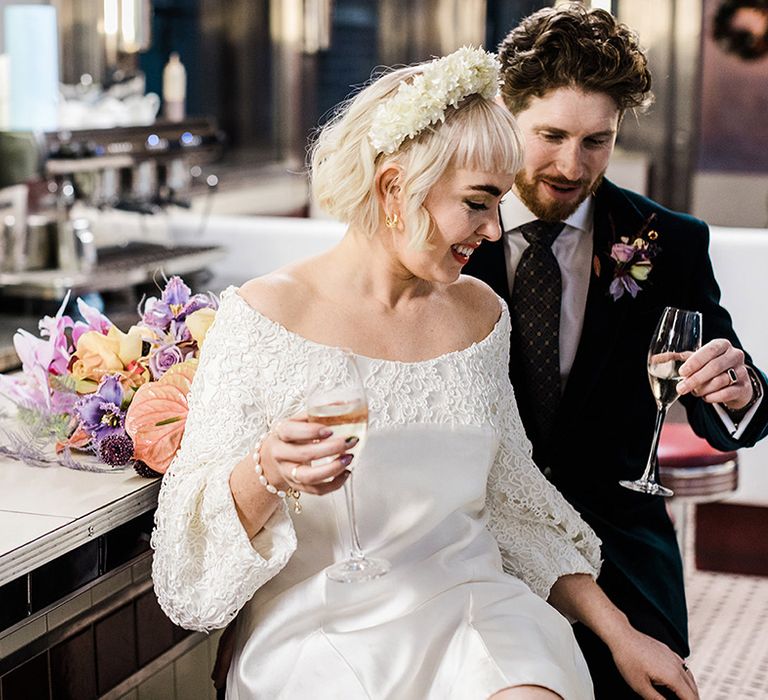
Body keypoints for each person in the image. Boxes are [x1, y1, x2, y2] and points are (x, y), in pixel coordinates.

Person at [151, 48, 697, 700]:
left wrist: (620, 633)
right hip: (319, 624)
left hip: (474, 609)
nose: (495, 231)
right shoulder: (263, 317)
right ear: (393, 190)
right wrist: (267, 469)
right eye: (478, 202)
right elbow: (188, 542)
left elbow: (511, 497)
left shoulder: (481, 315)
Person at [463, 5, 768, 698]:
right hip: (470, 532)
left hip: (617, 544)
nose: (572, 166)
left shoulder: (668, 240)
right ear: (505, 115)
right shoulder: (447, 229)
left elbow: (730, 398)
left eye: (596, 141)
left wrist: (739, 390)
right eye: (551, 135)